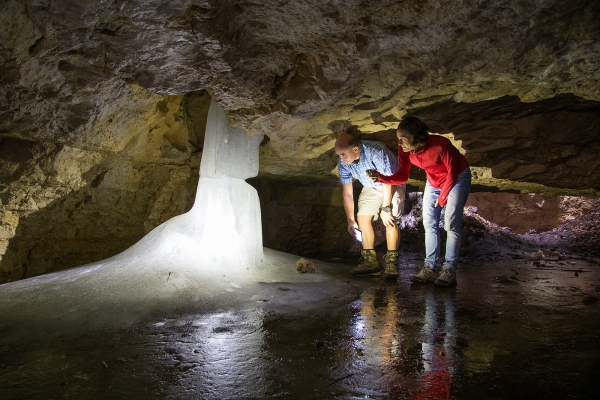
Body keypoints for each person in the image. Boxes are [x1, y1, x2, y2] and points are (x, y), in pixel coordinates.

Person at [372, 116, 471, 287]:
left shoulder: (441, 145)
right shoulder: (405, 150)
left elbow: (453, 173)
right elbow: (403, 175)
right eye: (399, 138)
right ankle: (429, 268)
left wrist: (442, 197)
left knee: (451, 223)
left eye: (403, 138)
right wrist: (382, 179)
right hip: (433, 181)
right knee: (429, 222)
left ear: (416, 136)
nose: (400, 142)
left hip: (457, 179)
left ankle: (449, 270)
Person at [335, 133, 406, 279]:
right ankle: (370, 262)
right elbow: (347, 192)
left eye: (343, 154)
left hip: (392, 182)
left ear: (355, 149)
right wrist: (350, 220)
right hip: (371, 185)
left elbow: (387, 181)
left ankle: (391, 263)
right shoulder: (343, 163)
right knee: (362, 218)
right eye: (338, 155)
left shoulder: (376, 151)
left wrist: (386, 209)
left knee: (390, 219)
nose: (341, 159)